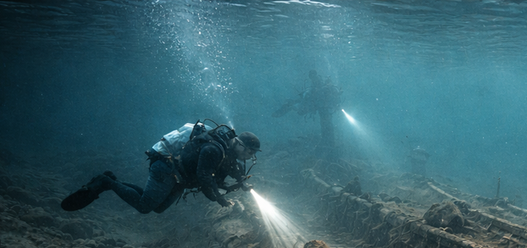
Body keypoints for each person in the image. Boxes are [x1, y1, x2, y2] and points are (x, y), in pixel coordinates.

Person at [61, 124, 260, 213]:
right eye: (250, 152)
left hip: (179, 177)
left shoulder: (228, 151)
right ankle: (106, 183)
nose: (250, 157)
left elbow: (232, 168)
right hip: (166, 168)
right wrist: (219, 198)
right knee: (145, 206)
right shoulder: (213, 150)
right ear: (240, 144)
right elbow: (204, 176)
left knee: (157, 208)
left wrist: (242, 182)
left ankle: (112, 180)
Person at [273, 70, 342, 150]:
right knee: (301, 111)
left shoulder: (326, 87)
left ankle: (328, 143)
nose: (313, 78)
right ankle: (328, 143)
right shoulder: (322, 86)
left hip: (319, 106)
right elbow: (309, 95)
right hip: (317, 105)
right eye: (312, 76)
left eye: (313, 76)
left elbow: (331, 98)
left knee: (325, 123)